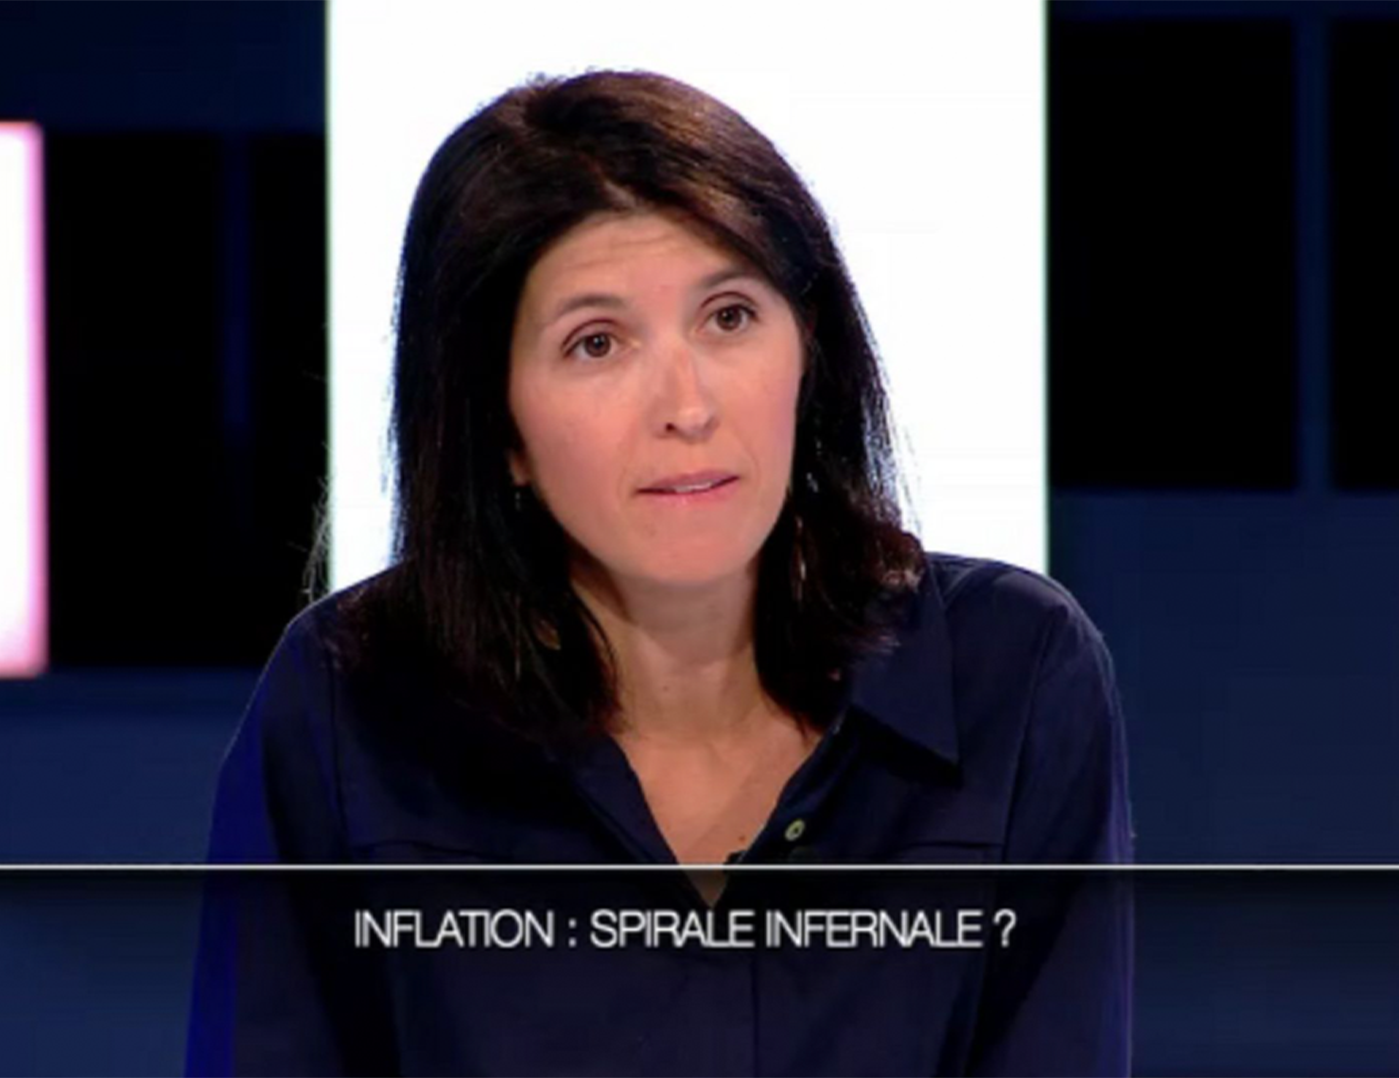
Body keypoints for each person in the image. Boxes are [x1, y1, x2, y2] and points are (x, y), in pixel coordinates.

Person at [185, 69, 1134, 1077]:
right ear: (497, 425)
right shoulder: (351, 705)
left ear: (807, 352)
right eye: (596, 343)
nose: (687, 405)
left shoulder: (1011, 677)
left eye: (728, 317)